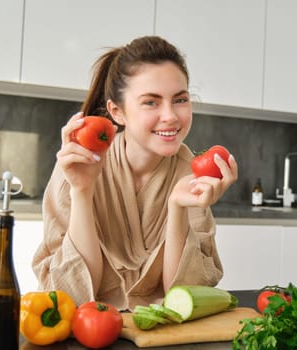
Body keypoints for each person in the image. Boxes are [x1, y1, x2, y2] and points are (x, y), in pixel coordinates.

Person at [32, 36, 238, 310]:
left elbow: (184, 297)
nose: (171, 116)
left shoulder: (192, 173)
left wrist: (176, 208)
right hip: (90, 326)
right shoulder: (78, 163)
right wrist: (82, 191)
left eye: (180, 99)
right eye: (151, 102)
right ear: (117, 112)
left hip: (160, 329)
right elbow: (72, 293)